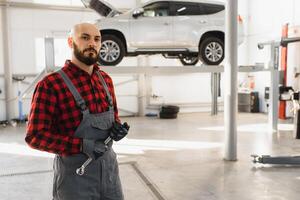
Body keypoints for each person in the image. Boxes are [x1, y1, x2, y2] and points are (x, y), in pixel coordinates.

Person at [25, 23, 129, 200]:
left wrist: (117, 129)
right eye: (85, 37)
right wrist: (82, 145)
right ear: (70, 41)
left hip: (110, 176)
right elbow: (35, 137)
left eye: (97, 39)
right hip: (75, 181)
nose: (92, 43)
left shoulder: (106, 80)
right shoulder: (51, 85)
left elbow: (113, 118)